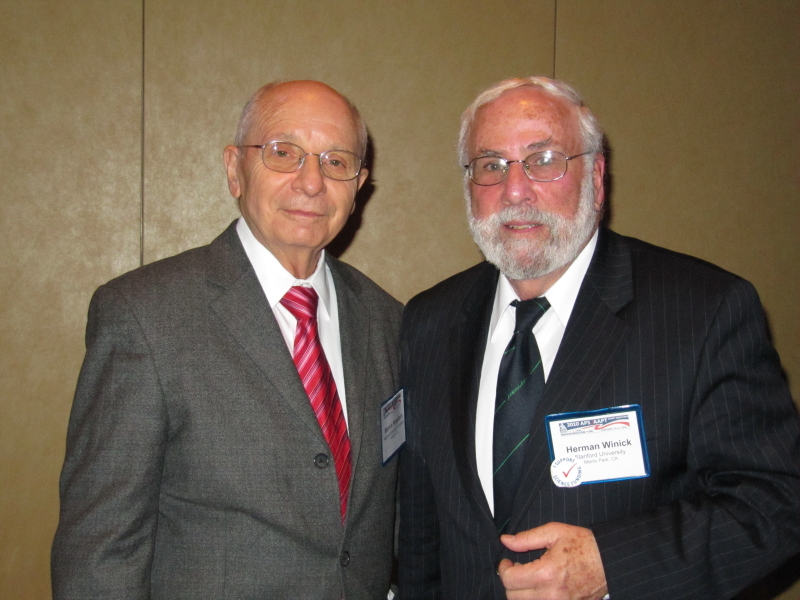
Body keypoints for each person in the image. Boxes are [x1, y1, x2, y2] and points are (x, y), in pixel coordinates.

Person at [397, 76, 800, 600]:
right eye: (491, 165)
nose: (514, 190)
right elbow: (422, 537)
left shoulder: (703, 311)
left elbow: (777, 500)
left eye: (544, 160)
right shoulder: (428, 321)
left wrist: (612, 564)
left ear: (597, 176)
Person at [52, 80, 402, 599]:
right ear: (235, 169)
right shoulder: (145, 315)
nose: (311, 182)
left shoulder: (389, 320)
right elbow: (98, 552)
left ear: (358, 185)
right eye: (283, 153)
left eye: (335, 161)